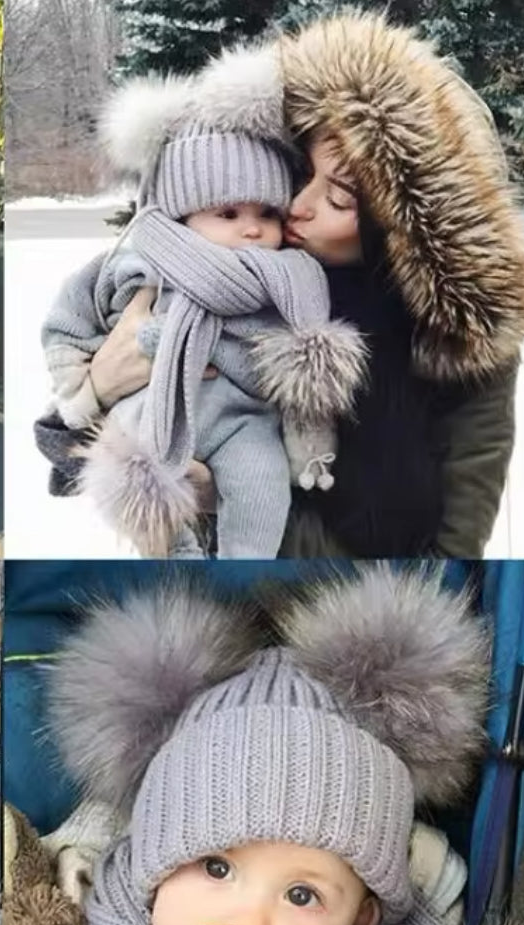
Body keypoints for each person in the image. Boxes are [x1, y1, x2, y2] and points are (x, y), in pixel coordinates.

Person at [2, 566, 524, 925]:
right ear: (151, 869)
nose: (247, 923)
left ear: (360, 924)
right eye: (216, 868)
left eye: (303, 895)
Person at [35, 11, 524, 558]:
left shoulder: (454, 338)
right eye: (303, 176)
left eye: (340, 199)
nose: (296, 208)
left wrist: (223, 498)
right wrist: (102, 385)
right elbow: (65, 446)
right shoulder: (239, 268)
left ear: (399, 228)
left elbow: (454, 547)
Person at [42, 65, 366, 558]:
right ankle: (175, 556)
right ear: (183, 217)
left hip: (242, 421)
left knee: (262, 478)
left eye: (266, 214)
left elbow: (292, 368)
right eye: (228, 215)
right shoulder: (141, 260)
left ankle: (241, 564)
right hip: (152, 413)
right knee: (136, 474)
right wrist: (78, 379)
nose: (253, 230)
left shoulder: (289, 280)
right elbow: (71, 315)